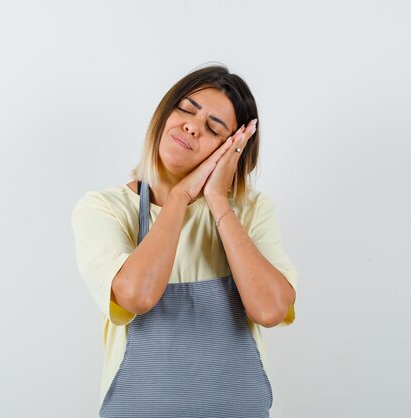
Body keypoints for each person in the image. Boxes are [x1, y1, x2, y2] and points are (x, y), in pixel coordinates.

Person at [70, 64, 298, 418]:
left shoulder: (251, 212)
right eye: (186, 109)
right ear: (164, 113)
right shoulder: (104, 209)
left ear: (232, 149)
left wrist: (219, 201)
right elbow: (136, 295)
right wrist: (179, 197)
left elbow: (270, 310)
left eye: (213, 127)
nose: (192, 125)